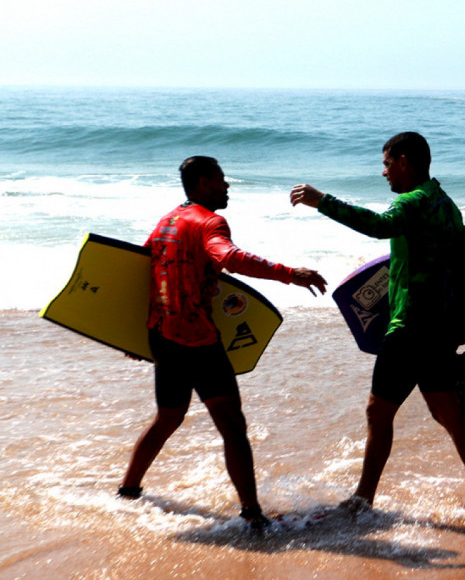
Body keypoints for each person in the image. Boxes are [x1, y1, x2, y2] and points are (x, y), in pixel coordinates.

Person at [289, 132, 465, 519]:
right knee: (447, 413)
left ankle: (362, 501)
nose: (383, 172)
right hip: (439, 325)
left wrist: (323, 201)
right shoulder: (446, 204)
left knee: (378, 411)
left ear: (404, 161)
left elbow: (378, 225)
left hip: (410, 324)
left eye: (387, 163)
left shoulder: (413, 201)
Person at [119, 156, 327, 529]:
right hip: (196, 339)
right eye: (220, 180)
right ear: (202, 183)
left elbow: (145, 273)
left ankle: (128, 490)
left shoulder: (166, 221)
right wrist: (289, 274)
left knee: (168, 416)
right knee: (232, 426)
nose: (227, 186)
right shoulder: (210, 222)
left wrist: (131, 334)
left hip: (162, 335)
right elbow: (229, 258)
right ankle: (252, 513)